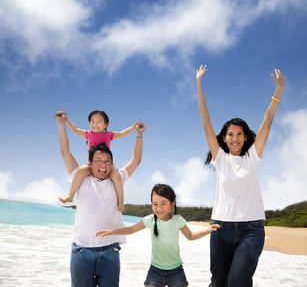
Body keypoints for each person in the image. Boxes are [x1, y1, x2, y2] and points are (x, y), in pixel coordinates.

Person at [196, 65, 286, 287]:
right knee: (218, 282)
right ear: (224, 139)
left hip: (251, 230)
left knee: (238, 281)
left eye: (239, 134)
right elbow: (206, 122)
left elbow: (267, 121)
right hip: (220, 229)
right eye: (230, 134)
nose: (234, 138)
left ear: (245, 137)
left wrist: (278, 92)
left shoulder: (252, 157)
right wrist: (198, 84)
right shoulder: (220, 159)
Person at [55, 111, 145, 287]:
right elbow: (65, 152)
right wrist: (61, 123)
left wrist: (139, 135)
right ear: (90, 163)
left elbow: (136, 160)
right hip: (82, 251)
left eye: (107, 161)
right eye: (98, 161)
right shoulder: (81, 178)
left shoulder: (116, 179)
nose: (103, 165)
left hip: (110, 252)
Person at [96, 183, 220, 287]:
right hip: (155, 270)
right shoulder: (150, 220)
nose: (158, 208)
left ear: (172, 203)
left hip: (176, 270)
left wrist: (207, 230)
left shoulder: (178, 220)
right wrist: (112, 231)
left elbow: (190, 236)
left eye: (163, 203)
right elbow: (131, 229)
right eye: (155, 203)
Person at [58, 110, 138, 212]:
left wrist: (132, 127)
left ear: (106, 124)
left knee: (117, 177)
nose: (95, 124)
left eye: (99, 121)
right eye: (92, 121)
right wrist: (66, 119)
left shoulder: (108, 135)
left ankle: (121, 203)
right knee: (80, 172)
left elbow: (122, 133)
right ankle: (70, 196)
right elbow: (75, 129)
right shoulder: (88, 134)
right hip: (91, 164)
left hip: (107, 164)